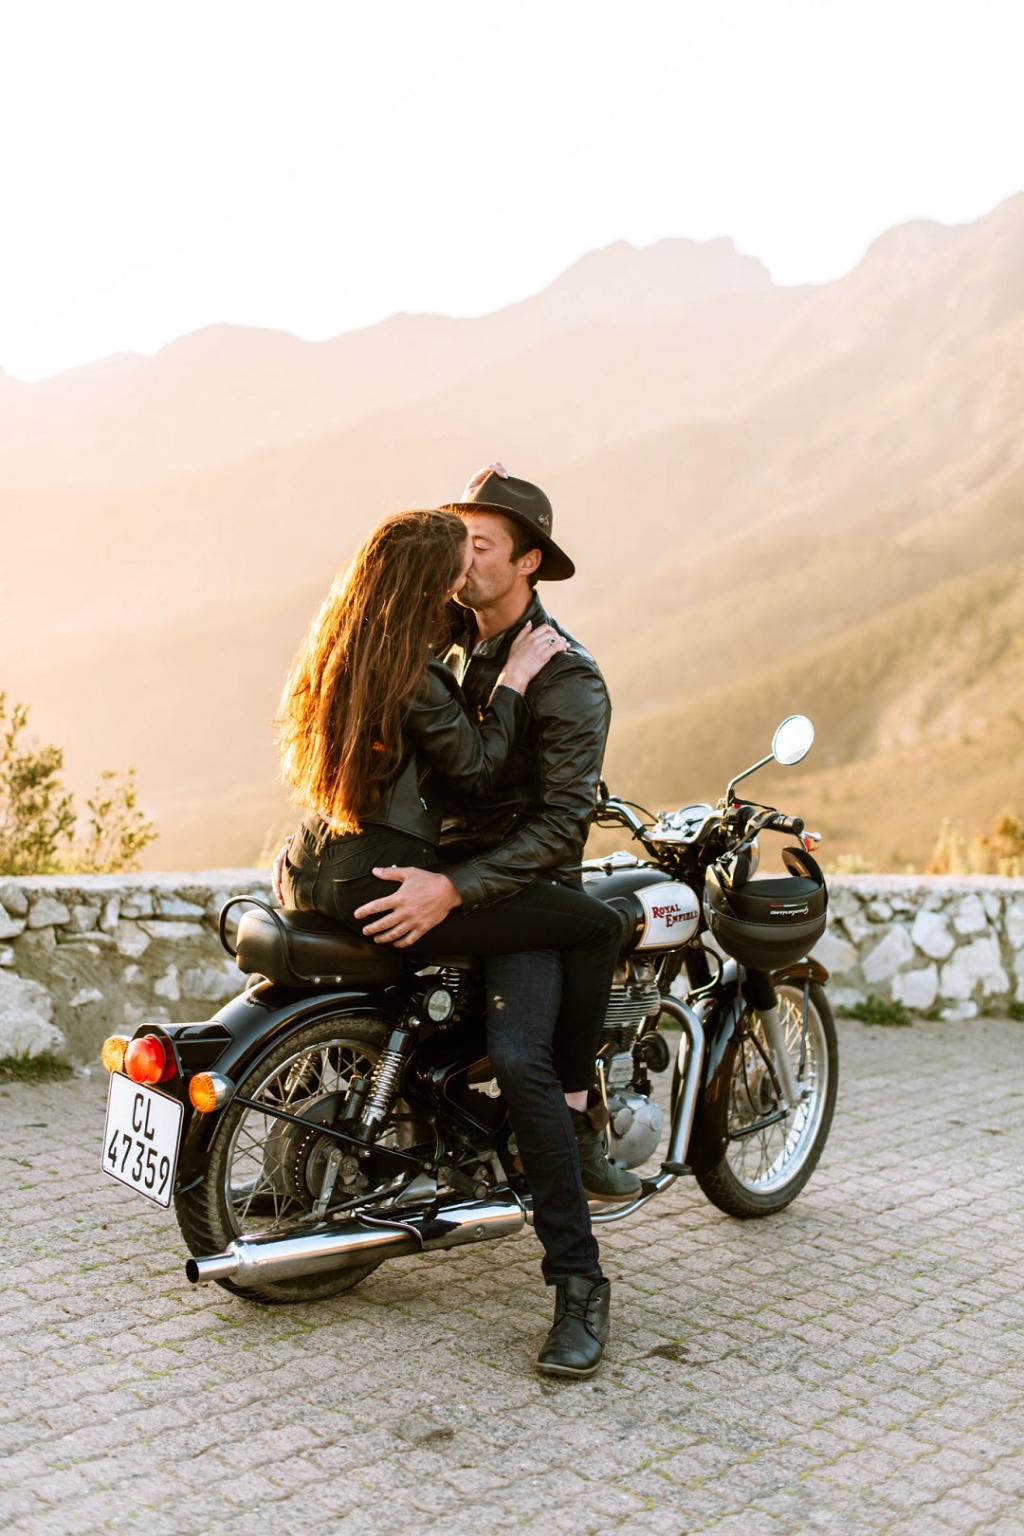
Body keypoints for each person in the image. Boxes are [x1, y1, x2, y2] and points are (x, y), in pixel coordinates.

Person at [274, 505, 628, 1376]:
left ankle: (573, 1266)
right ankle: (576, 1178)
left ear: (527, 561)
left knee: (514, 1053)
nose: (463, 559)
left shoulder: (566, 675)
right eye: (457, 542)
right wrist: (445, 886)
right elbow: (459, 764)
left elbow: (560, 826)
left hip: (501, 884)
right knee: (541, 1029)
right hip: (436, 882)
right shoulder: (446, 639)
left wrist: (459, 885)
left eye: (481, 543)